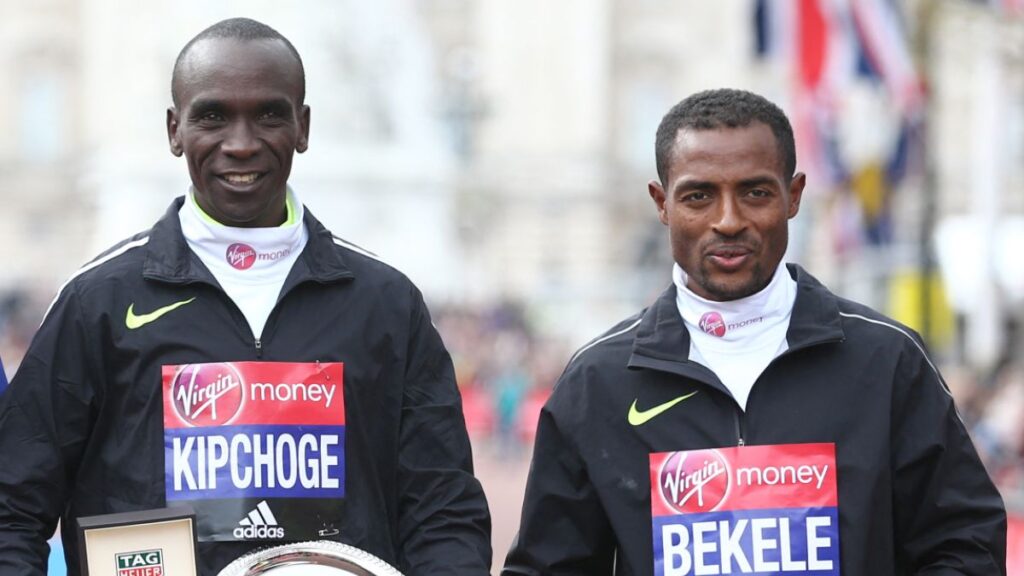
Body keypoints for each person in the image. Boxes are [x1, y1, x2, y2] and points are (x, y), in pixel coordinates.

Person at [0, 18, 491, 576]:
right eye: (212, 116)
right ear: (174, 130)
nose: (240, 144)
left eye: (269, 115)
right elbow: (12, 508)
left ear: (303, 127)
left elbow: (444, 515)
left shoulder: (387, 304)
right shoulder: (97, 302)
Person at [503, 89, 1005, 575]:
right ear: (662, 203)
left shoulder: (887, 360)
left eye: (755, 193)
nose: (728, 221)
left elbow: (967, 544)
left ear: (793, 196)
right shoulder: (598, 380)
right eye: (699, 196)